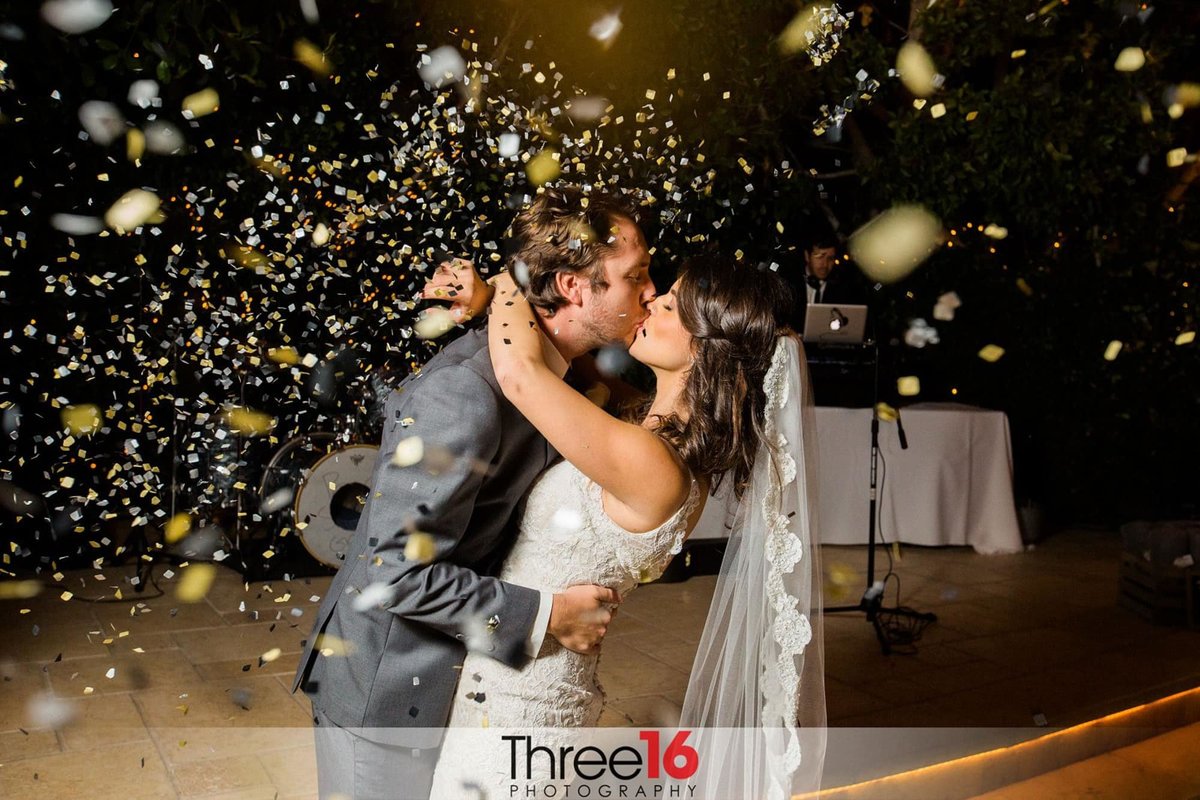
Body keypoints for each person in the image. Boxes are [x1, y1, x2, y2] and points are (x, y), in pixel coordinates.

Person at [291, 186, 657, 800]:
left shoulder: (554, 379)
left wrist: (497, 294)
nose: (649, 291)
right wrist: (548, 617)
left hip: (463, 684)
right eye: (635, 276)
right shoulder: (465, 391)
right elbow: (395, 572)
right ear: (573, 287)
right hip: (388, 689)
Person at [425, 253, 826, 799]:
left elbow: (522, 375)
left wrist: (507, 282)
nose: (651, 300)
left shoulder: (652, 464)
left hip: (518, 702)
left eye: (670, 303)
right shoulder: (650, 430)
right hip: (521, 680)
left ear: (705, 346)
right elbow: (575, 372)